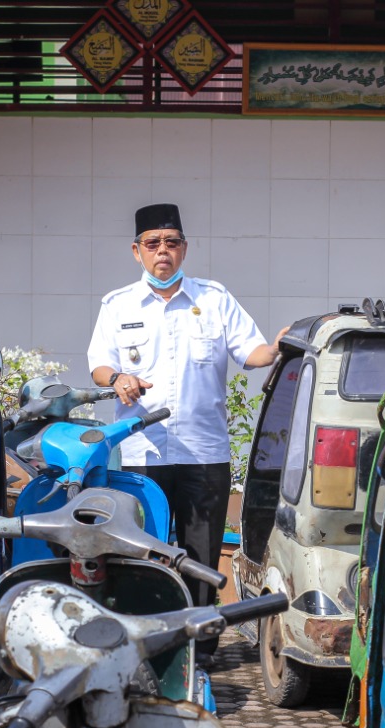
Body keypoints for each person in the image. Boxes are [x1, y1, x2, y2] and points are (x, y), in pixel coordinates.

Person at [87, 203, 286, 659]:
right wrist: (117, 378)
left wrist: (277, 347)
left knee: (201, 556)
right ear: (136, 251)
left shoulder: (214, 299)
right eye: (153, 243)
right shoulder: (118, 305)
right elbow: (99, 364)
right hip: (141, 454)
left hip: (203, 453)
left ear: (184, 249)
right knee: (142, 551)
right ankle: (148, 646)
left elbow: (252, 353)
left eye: (171, 243)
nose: (163, 251)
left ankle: (200, 650)